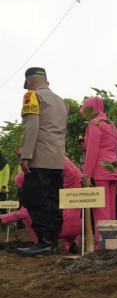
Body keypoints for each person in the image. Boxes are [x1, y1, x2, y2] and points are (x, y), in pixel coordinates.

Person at [16, 67, 69, 257]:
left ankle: (45, 242)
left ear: (29, 82)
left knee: (34, 198)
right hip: (57, 159)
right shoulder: (61, 101)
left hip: (39, 157)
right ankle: (52, 240)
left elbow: (31, 126)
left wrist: (26, 155)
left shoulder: (33, 97)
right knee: (53, 199)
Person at [5, 157, 83, 253]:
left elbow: (22, 213)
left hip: (58, 230)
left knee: (33, 213)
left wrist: (3, 218)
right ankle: (73, 242)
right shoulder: (48, 164)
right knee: (72, 212)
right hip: (78, 227)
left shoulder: (51, 160)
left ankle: (42, 241)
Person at [80, 96, 117, 249]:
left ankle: (100, 244)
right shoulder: (111, 125)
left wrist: (86, 174)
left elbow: (92, 152)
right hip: (113, 168)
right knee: (110, 209)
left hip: (101, 169)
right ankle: (112, 243)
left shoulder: (94, 125)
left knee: (101, 209)